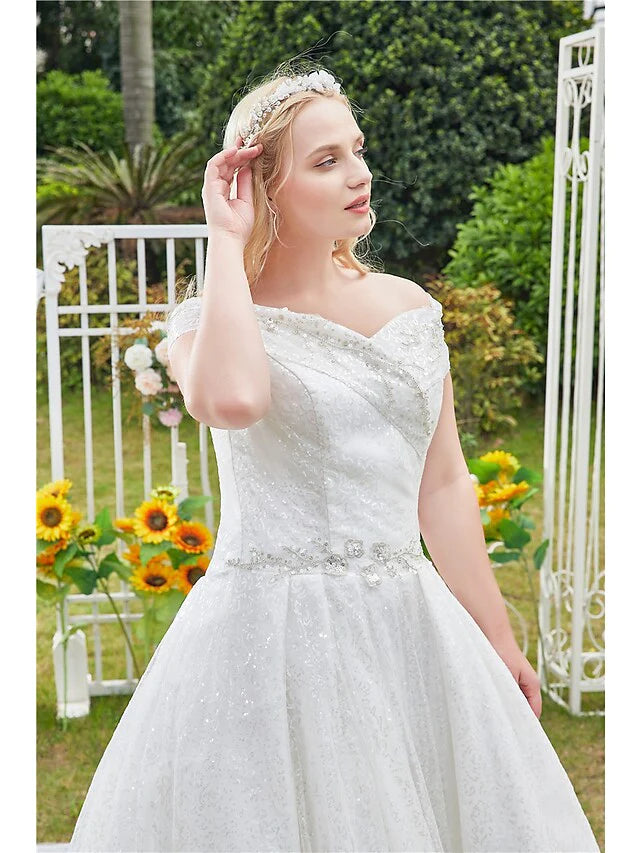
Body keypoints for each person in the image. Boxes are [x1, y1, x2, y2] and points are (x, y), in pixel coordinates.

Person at [68, 65, 600, 852]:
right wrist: (226, 240)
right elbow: (233, 400)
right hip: (268, 645)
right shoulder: (206, 323)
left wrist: (496, 635)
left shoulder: (410, 308)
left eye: (357, 149)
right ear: (263, 189)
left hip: (410, 627)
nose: (359, 174)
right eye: (326, 161)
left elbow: (442, 483)